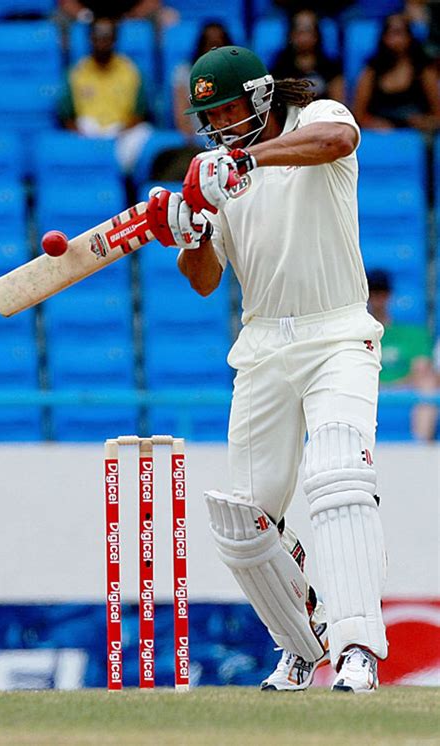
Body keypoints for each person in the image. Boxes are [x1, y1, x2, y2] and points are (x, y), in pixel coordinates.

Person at [145, 45, 388, 693]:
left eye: (226, 110)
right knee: (246, 519)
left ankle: (358, 644)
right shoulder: (211, 170)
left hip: (336, 331)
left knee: (337, 474)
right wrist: (192, 230)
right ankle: (302, 644)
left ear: (257, 99)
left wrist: (243, 160)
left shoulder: (317, 115)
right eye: (209, 119)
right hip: (261, 347)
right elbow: (203, 282)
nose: (219, 127)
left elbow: (336, 141)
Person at [58, 18, 153, 173]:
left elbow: (140, 114)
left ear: (115, 39)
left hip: (123, 132)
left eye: (107, 37)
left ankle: (124, 181)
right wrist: (84, 134)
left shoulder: (131, 70)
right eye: (98, 37)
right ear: (90, 38)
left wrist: (119, 132)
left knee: (144, 132)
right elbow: (66, 115)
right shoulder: (76, 71)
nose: (102, 42)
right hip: (87, 131)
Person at [367, 269, 438, 441]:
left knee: (429, 383)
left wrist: (386, 386)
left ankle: (420, 444)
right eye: (373, 292)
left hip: (398, 387)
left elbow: (421, 370)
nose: (377, 298)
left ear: (389, 295)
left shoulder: (413, 334)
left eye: (382, 292)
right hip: (365, 389)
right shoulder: (353, 335)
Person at [353, 13, 440, 132]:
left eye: (400, 33)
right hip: (381, 137)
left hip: (415, 136)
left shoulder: (424, 70)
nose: (396, 39)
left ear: (410, 36)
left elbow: (437, 115)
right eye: (391, 33)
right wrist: (373, 124)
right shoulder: (371, 71)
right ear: (383, 36)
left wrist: (426, 121)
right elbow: (358, 115)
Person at [270, 9, 346, 103]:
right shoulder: (280, 67)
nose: (303, 37)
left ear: (316, 34)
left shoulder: (331, 68)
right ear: (291, 34)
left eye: (308, 31)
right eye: (299, 31)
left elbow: (338, 105)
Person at [173, 21, 234, 137]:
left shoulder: (236, 71)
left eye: (219, 44)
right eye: (210, 44)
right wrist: (190, 142)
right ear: (201, 45)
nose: (214, 49)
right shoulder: (184, 72)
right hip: (197, 137)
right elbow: (181, 114)